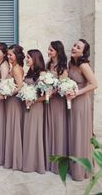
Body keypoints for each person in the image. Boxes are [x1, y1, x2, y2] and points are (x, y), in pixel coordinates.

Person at [67, 39, 97, 181]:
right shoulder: (71, 63)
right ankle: (73, 165)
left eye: (78, 47)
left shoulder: (83, 65)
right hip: (72, 101)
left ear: (83, 52)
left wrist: (77, 93)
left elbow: (94, 84)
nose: (74, 48)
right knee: (73, 132)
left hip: (80, 101)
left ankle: (80, 170)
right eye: (74, 45)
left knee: (80, 133)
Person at [44, 41, 68, 173]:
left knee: (57, 129)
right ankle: (48, 160)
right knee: (49, 127)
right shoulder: (48, 64)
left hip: (57, 101)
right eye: (48, 49)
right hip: (48, 100)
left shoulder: (62, 67)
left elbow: (62, 86)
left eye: (51, 50)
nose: (48, 52)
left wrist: (52, 91)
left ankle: (58, 163)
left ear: (57, 52)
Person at [22, 49, 46, 174]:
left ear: (35, 59)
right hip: (27, 105)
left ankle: (35, 163)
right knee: (28, 133)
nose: (26, 59)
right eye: (26, 57)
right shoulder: (30, 71)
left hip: (36, 107)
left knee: (34, 133)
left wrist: (33, 100)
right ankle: (27, 161)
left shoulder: (42, 74)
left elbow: (48, 95)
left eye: (28, 57)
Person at [4, 44, 25, 170]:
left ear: (16, 55)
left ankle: (15, 160)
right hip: (10, 100)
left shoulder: (17, 69)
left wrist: (6, 93)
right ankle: (12, 158)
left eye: (10, 54)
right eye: (8, 54)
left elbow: (20, 86)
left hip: (13, 101)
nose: (8, 56)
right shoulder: (14, 67)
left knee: (14, 127)